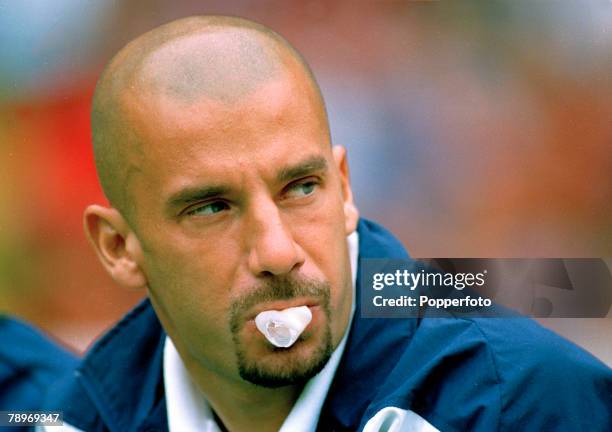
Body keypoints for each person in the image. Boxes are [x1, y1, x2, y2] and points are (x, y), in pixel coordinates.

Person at [42, 16, 611, 431]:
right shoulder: (66, 417)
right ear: (119, 246)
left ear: (344, 188)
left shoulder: (522, 404)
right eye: (212, 207)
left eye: (300, 188)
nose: (277, 250)